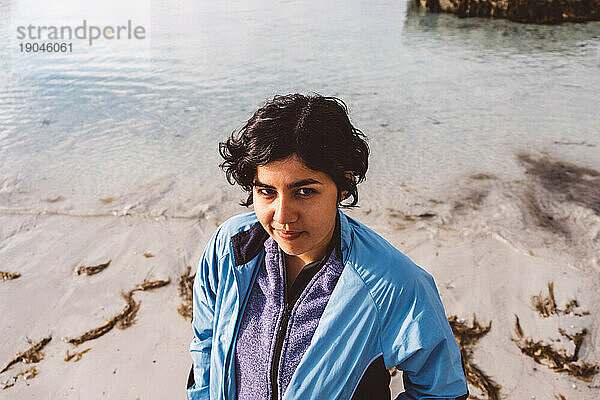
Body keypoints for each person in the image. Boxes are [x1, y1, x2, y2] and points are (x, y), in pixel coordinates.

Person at [186, 94, 468, 400]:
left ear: (343, 185)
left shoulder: (393, 284)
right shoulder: (230, 249)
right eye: (266, 192)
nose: (283, 216)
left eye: (304, 191)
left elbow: (442, 392)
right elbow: (206, 344)